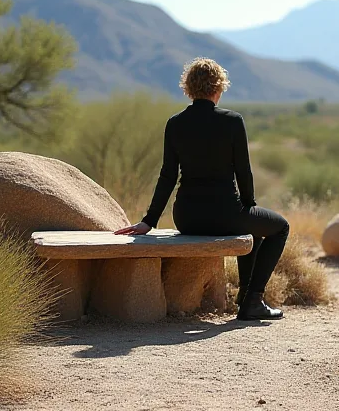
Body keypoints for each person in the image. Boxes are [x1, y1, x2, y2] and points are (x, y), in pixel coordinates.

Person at [115, 57, 290, 321]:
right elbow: (243, 170)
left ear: (189, 88)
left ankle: (246, 299)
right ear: (218, 87)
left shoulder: (175, 123)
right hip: (225, 215)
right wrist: (249, 205)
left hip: (187, 217)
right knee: (279, 228)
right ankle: (252, 300)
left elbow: (167, 176)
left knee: (252, 227)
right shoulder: (232, 121)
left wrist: (148, 221)